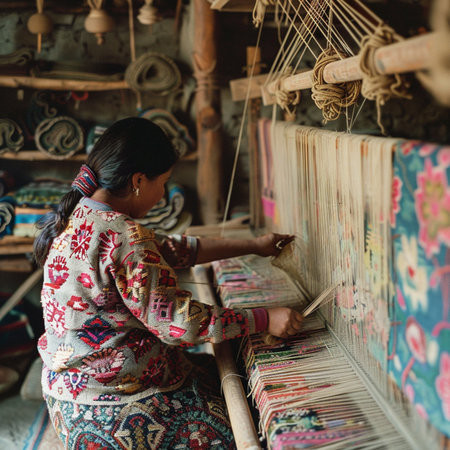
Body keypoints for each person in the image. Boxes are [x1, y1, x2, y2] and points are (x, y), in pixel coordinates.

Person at [34, 117, 303, 449]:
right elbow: (180, 325)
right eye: (163, 182)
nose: (162, 194)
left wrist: (255, 244)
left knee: (223, 373)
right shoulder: (123, 235)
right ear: (137, 180)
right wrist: (264, 318)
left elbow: (175, 249)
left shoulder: (79, 216)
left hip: (71, 399)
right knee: (256, 430)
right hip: (115, 408)